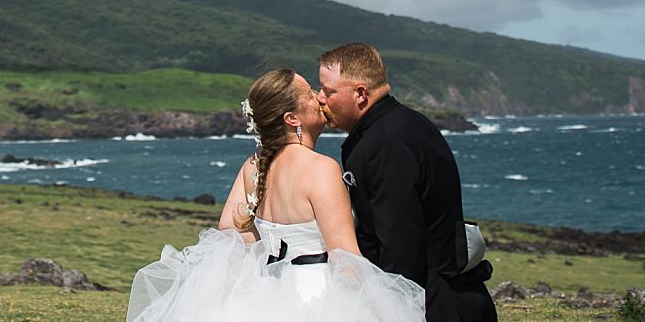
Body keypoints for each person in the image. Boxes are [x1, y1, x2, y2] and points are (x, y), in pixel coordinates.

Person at [126, 68, 426, 321]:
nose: (320, 98)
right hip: (317, 298)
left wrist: (270, 244)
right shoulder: (320, 169)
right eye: (310, 94)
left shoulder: (254, 164)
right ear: (292, 119)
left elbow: (228, 230)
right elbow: (346, 260)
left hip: (265, 291)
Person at [318, 43, 497, 322]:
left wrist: (388, 310)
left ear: (361, 94)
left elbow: (400, 244)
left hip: (432, 304)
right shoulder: (403, 123)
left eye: (328, 91)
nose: (320, 98)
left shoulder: (384, 143)